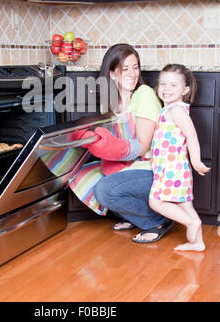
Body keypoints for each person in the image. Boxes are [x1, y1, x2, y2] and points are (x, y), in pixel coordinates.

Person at [69, 43, 174, 244]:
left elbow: (143, 147)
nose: (132, 74)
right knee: (82, 176)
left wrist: (110, 148)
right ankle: (133, 216)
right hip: (128, 166)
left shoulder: (144, 94)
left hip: (152, 168)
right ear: (112, 73)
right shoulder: (109, 101)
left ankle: (157, 220)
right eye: (125, 69)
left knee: (104, 190)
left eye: (135, 67)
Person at [148, 64, 209, 251]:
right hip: (172, 168)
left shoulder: (176, 110)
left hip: (172, 168)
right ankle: (197, 242)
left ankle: (190, 223)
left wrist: (196, 160)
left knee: (156, 201)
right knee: (185, 205)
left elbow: (191, 135)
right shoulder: (169, 109)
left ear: (185, 89)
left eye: (173, 85)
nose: (166, 89)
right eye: (163, 83)